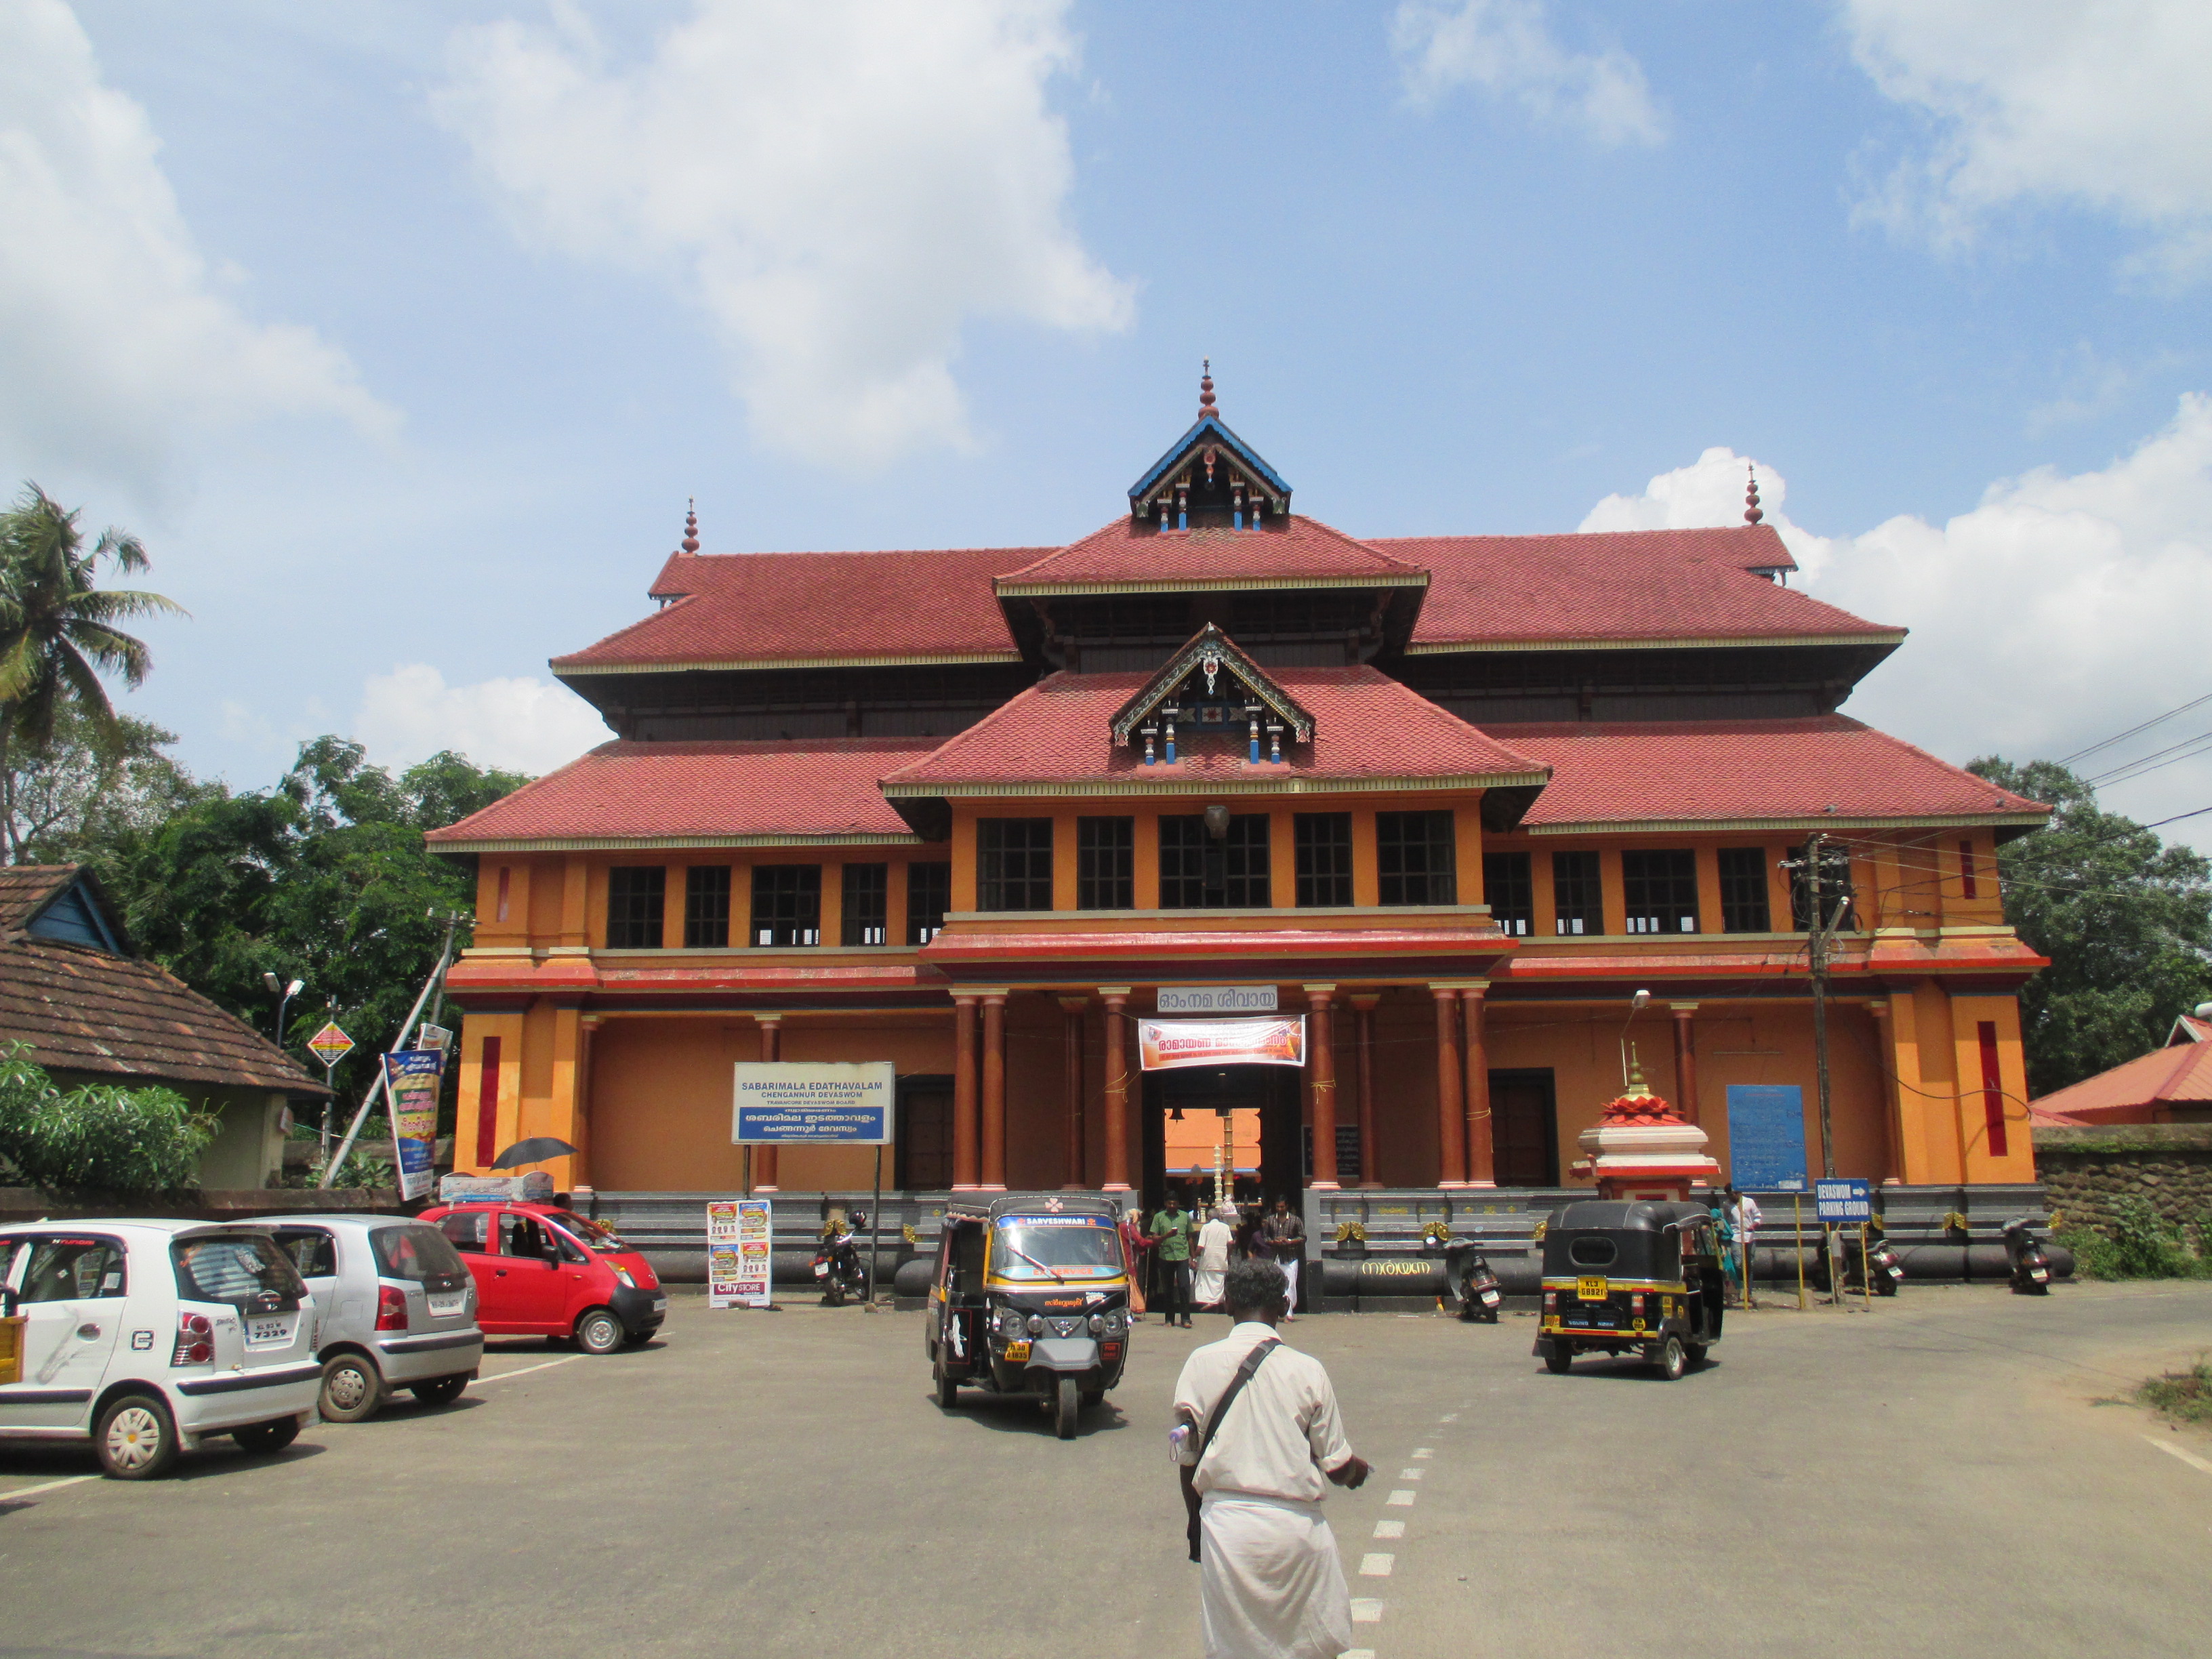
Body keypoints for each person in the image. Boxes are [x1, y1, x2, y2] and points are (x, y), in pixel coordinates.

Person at [1172, 1258, 1370, 1659]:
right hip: (1295, 1529)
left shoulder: (1198, 1364)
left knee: (1234, 1647)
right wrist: (1359, 1472)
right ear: (1283, 1305)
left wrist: (1195, 1521)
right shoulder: (1307, 1370)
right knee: (1311, 1643)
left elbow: (1185, 1457)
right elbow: (1337, 1466)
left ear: (1227, 1304)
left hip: (1226, 1529)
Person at [1151, 1192, 1195, 1328]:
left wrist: (1193, 1257)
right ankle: (1169, 1319)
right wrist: (1167, 1235)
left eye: (1174, 1204)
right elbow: (1154, 1239)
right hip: (1166, 1256)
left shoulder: (1184, 1216)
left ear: (1178, 1204)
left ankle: (1186, 1318)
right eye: (1170, 1204)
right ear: (1166, 1203)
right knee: (1168, 1289)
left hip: (1182, 1256)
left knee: (1184, 1287)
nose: (1172, 1206)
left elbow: (1190, 1238)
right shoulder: (1159, 1217)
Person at [1261, 1197, 1306, 1322]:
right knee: (1277, 1286)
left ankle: (1288, 1312)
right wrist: (1274, 1241)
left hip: (1290, 1258)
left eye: (1282, 1207)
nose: (1280, 1209)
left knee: (1290, 1285)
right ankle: (1278, 1312)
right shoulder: (1271, 1220)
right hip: (1276, 1257)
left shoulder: (1295, 1220)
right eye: (1278, 1207)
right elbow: (1265, 1237)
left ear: (1287, 1206)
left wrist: (1289, 1241)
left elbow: (1303, 1237)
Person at [1192, 1205, 1236, 1312]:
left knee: (1206, 1282)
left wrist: (1194, 1258)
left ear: (1208, 1217)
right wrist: (1228, 1255)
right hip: (1221, 1260)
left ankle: (1209, 1302)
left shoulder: (1206, 1228)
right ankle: (1217, 1301)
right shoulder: (1225, 1227)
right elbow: (1231, 1243)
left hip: (1208, 1260)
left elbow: (1200, 1246)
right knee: (1220, 1281)